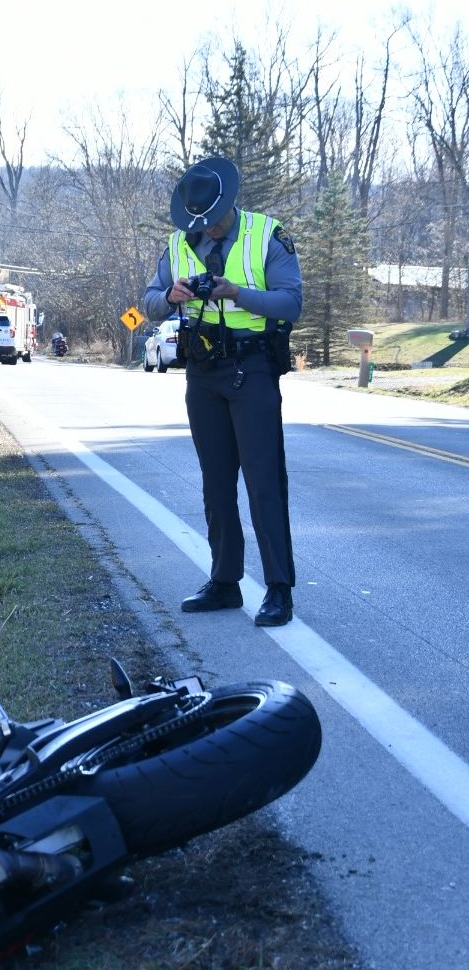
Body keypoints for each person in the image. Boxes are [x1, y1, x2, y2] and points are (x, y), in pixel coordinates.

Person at [143, 155, 303, 628]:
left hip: (252, 369)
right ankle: (225, 581)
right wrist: (169, 298)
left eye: (212, 221)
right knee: (216, 483)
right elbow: (148, 302)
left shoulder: (266, 235)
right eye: (198, 223)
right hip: (203, 372)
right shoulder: (176, 244)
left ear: (228, 206)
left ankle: (278, 590)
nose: (206, 229)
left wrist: (235, 293)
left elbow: (291, 303)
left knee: (263, 482)